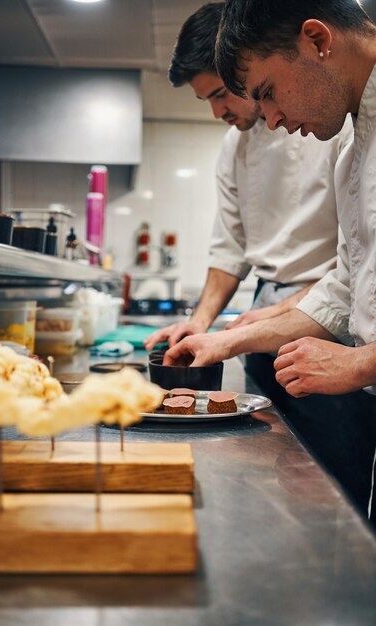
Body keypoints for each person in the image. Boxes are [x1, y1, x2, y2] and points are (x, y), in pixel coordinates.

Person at [164, 0, 376, 522]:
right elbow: (347, 286)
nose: (272, 119)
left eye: (266, 92)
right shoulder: (356, 151)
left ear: (317, 40)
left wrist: (360, 361)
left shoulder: (342, 138)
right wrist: (224, 337)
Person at [144, 2, 352, 353]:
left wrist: (284, 309)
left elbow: (353, 264)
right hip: (264, 302)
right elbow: (230, 247)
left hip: (323, 304)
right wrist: (198, 321)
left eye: (220, 94)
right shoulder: (235, 145)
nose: (216, 112)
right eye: (204, 100)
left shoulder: (331, 122)